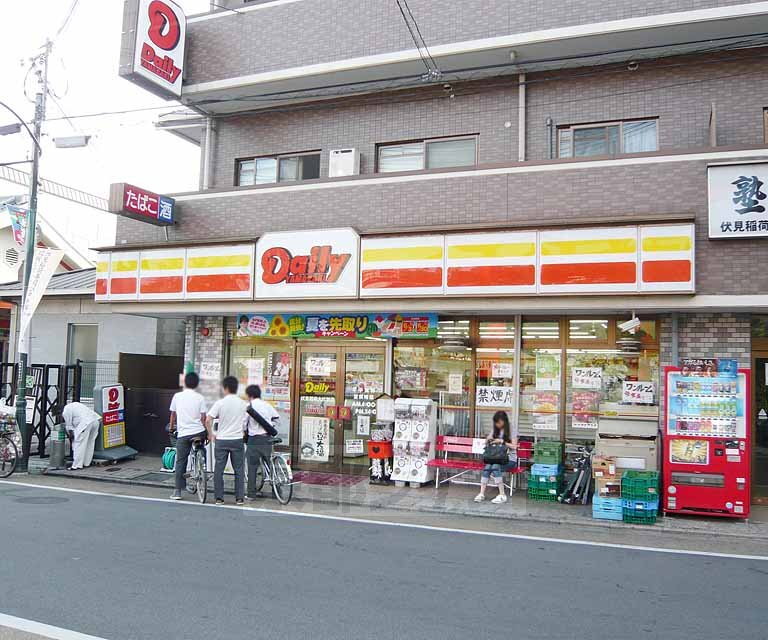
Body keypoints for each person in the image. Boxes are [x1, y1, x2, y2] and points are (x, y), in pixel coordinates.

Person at [206, 376, 247, 505]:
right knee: (239, 469)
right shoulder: (243, 403)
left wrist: (211, 434)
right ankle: (239, 498)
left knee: (219, 469)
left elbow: (208, 419)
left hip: (222, 440)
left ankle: (219, 498)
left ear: (225, 388)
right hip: (237, 440)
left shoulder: (220, 403)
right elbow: (246, 421)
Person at [169, 372, 208, 501]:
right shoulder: (200, 397)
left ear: (185, 383)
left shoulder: (177, 396)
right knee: (202, 449)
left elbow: (173, 415)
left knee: (181, 461)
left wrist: (171, 428)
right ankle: (202, 467)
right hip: (199, 432)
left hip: (184, 434)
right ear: (197, 384)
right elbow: (203, 418)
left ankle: (177, 491)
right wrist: (207, 431)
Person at [244, 384, 280, 500]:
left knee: (252, 467)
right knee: (271, 465)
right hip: (267, 438)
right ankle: (277, 493)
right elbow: (276, 417)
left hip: (254, 439)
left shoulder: (249, 406)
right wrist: (270, 425)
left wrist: (244, 432)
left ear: (249, 395)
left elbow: (243, 423)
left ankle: (251, 494)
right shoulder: (266, 405)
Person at [475, 410, 517, 504]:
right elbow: (487, 441)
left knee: (495, 466)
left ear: (503, 421)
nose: (497, 424)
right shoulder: (495, 429)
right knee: (487, 467)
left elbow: (514, 446)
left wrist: (502, 441)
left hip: (509, 459)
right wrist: (488, 440)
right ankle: (481, 493)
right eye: (496, 423)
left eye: (498, 422)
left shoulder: (511, 429)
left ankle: (502, 495)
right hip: (495, 458)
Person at [60, 401, 101, 470]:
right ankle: (86, 463)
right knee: (90, 443)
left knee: (79, 444)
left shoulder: (65, 411)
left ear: (60, 411)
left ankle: (76, 466)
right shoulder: (75, 404)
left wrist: (72, 437)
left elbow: (69, 427)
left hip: (85, 424)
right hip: (95, 421)